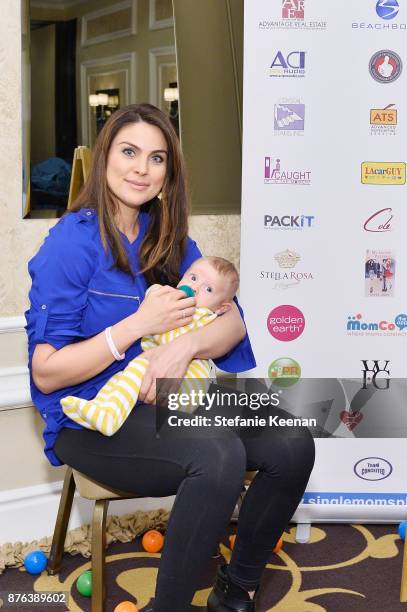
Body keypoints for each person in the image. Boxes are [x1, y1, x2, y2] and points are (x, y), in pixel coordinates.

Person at [25, 103, 315, 612]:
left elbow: (233, 322)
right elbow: (47, 373)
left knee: (292, 441)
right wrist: (136, 328)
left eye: (157, 158)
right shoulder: (70, 243)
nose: (142, 168)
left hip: (168, 398)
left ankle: (236, 589)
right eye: (130, 152)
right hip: (89, 417)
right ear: (104, 158)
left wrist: (180, 348)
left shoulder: (170, 237)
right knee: (217, 452)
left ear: (168, 172)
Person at [60, 256, 239, 435]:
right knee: (120, 379)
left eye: (208, 289)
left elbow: (166, 339)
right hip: (166, 385)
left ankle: (110, 416)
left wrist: (159, 309)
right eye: (193, 278)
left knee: (138, 367)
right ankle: (101, 408)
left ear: (221, 308)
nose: (195, 288)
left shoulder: (202, 316)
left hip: (187, 386)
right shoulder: (179, 305)